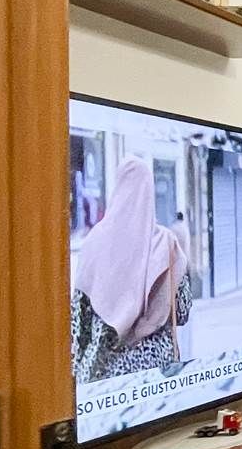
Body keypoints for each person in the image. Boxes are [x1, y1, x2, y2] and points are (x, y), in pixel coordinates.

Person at [71, 156, 192, 381]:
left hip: (104, 374)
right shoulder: (166, 243)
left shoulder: (94, 242)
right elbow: (182, 312)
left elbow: (78, 322)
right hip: (156, 371)